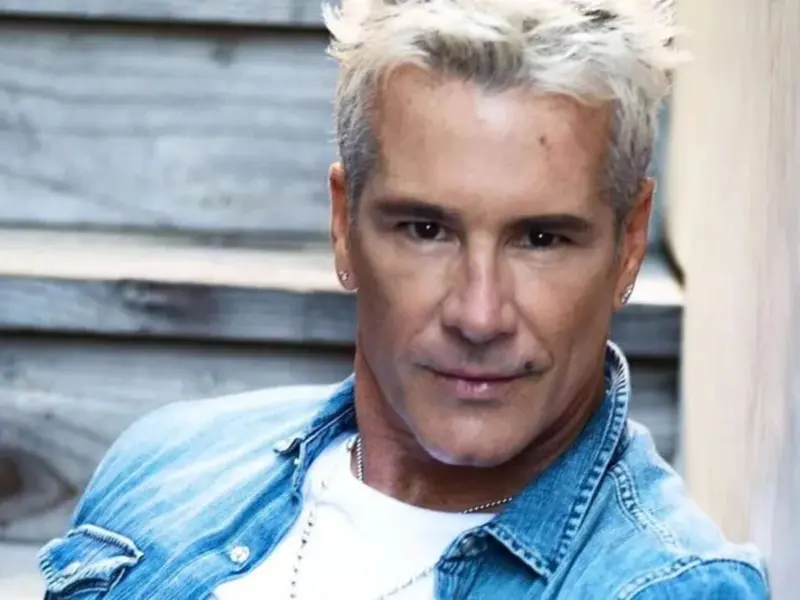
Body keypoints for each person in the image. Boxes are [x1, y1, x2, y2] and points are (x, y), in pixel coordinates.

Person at [37, 1, 769, 598]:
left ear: (630, 243)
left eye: (541, 239)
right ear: (343, 225)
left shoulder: (669, 586)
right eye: (426, 230)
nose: (479, 315)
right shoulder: (167, 465)